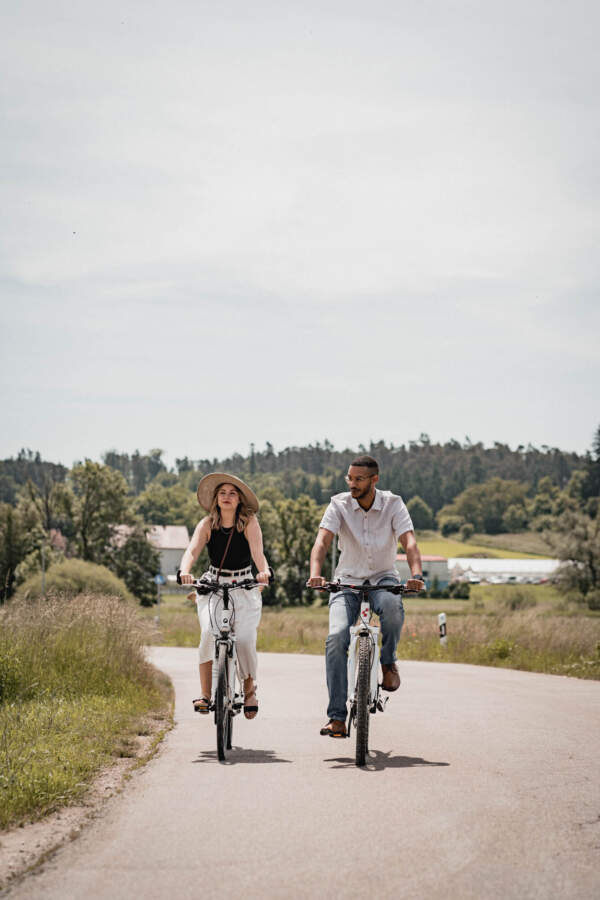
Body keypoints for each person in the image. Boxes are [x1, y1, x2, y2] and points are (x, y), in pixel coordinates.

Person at [308, 455, 426, 737]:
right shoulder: (339, 504)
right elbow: (323, 540)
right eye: (349, 478)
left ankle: (387, 661)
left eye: (359, 479)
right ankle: (336, 717)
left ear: (375, 480)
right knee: (336, 638)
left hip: (383, 577)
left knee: (391, 607)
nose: (352, 483)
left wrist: (416, 575)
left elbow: (408, 541)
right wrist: (315, 572)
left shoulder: (393, 504)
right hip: (346, 580)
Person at [178, 473, 271, 720]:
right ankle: (205, 695)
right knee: (209, 633)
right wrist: (184, 571)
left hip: (244, 583)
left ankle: (249, 691)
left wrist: (264, 571)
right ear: (216, 499)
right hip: (213, 585)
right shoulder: (207, 524)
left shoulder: (249, 522)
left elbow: (257, 552)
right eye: (222, 493)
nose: (227, 497)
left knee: (244, 640)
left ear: (239, 499)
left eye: (232, 493)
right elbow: (192, 550)